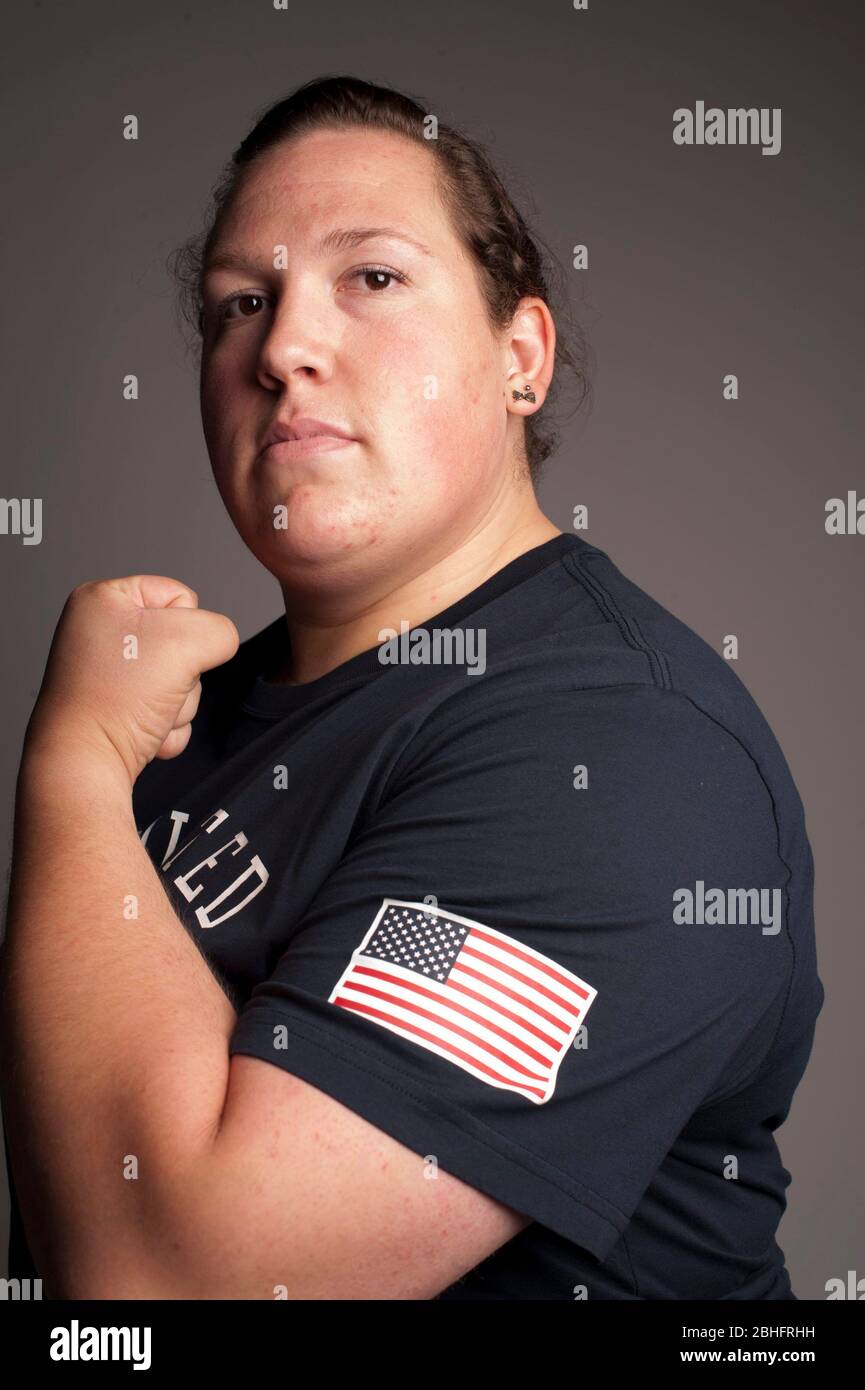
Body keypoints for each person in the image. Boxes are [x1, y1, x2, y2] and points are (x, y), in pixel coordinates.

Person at [1, 74, 823, 1300]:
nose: (282, 348)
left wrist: (68, 767)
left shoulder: (623, 761)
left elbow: (167, 1286)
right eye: (240, 302)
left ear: (519, 356)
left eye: (371, 278)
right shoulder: (179, 718)